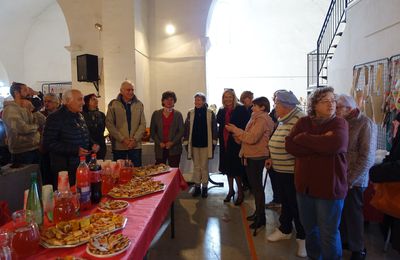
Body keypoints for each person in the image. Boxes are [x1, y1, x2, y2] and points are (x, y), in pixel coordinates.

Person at [285, 86, 349, 260]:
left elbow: (336, 145)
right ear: (314, 104)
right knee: (310, 230)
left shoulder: (339, 123)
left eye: (333, 100)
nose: (331, 104)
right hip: (305, 188)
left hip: (329, 188)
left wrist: (304, 138)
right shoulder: (303, 122)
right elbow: (290, 146)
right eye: (325, 101)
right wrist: (321, 144)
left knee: (328, 233)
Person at [265, 90, 306, 258]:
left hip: (292, 171)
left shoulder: (300, 119)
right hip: (280, 169)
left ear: (285, 105)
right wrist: (273, 158)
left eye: (276, 104)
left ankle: (303, 239)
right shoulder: (284, 119)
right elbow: (280, 141)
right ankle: (285, 229)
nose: (274, 107)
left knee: (297, 206)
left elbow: (302, 147)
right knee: (286, 204)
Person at [336, 94, 377, 260]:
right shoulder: (341, 122)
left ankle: (358, 249)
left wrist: (350, 179)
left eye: (338, 107)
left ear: (349, 108)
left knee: (353, 214)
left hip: (355, 179)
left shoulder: (364, 123)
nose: (335, 110)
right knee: (343, 213)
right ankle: (347, 241)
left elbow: (367, 157)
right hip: (340, 177)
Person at [225, 96, 274, 229]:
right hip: (252, 154)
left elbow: (252, 138)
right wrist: (239, 136)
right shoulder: (256, 118)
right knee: (255, 187)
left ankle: (261, 217)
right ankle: (258, 213)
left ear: (262, 107)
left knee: (257, 188)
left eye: (255, 106)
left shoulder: (262, 120)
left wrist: (235, 130)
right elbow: (248, 135)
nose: (252, 107)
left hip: (257, 156)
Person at [43, 89, 99, 189]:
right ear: (68, 101)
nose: (83, 102)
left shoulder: (80, 116)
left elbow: (84, 135)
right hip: (65, 169)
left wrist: (92, 144)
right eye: (79, 99)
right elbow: (49, 143)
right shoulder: (54, 118)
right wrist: (74, 150)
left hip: (81, 165)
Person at [217, 89, 250, 205]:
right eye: (225, 97)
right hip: (225, 142)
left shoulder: (241, 109)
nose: (227, 99)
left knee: (236, 169)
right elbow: (220, 124)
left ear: (234, 97)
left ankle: (240, 192)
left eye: (230, 96)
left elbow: (246, 125)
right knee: (227, 168)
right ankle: (230, 191)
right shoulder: (221, 110)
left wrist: (239, 137)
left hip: (236, 141)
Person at [183, 92, 217, 198]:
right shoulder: (190, 112)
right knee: (196, 167)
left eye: (199, 100)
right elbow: (187, 128)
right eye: (195, 100)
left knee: (204, 167)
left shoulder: (210, 113)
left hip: (205, 144)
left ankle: (205, 187)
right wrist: (186, 141)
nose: (197, 102)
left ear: (204, 101)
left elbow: (214, 129)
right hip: (194, 144)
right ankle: (197, 187)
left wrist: (214, 141)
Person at [2, 82, 45, 165]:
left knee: (36, 176)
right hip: (21, 151)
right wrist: (36, 127)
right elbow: (22, 129)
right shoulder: (10, 109)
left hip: (35, 148)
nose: (28, 93)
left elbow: (43, 121)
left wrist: (33, 109)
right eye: (25, 90)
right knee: (24, 176)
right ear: (16, 93)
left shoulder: (27, 107)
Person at [106, 80, 146, 166]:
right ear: (121, 91)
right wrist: (123, 139)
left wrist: (135, 139)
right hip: (119, 146)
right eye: (128, 90)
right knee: (119, 172)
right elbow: (109, 124)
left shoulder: (139, 104)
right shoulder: (113, 104)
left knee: (136, 172)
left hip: (135, 145)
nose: (131, 92)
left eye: (132, 90)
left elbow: (142, 124)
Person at [150, 91, 184, 167]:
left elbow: (181, 131)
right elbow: (152, 131)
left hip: (174, 148)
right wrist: (159, 143)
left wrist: (172, 142)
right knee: (160, 171)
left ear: (174, 101)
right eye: (166, 99)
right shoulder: (156, 114)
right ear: (163, 101)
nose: (169, 101)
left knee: (174, 170)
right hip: (160, 148)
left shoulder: (178, 114)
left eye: (171, 99)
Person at [265, 90, 285, 209]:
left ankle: (280, 200)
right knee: (274, 178)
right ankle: (277, 198)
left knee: (281, 180)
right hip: (272, 151)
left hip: (282, 155)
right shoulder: (273, 112)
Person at [82, 94, 107, 160]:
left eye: (96, 99)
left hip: (100, 143)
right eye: (93, 99)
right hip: (88, 144)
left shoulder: (101, 114)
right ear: (87, 101)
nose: (96, 101)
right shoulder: (82, 115)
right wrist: (92, 143)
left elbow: (104, 128)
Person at [239, 90, 254, 190]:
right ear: (245, 99)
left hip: (250, 139)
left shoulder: (253, 110)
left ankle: (250, 184)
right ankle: (245, 183)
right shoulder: (241, 110)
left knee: (250, 165)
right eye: (250, 98)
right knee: (243, 164)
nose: (252, 100)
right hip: (242, 139)